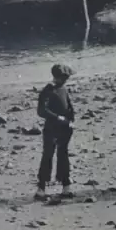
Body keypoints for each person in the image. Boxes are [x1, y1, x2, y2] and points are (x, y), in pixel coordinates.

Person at [36, 64, 76, 200]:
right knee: (47, 155)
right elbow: (41, 111)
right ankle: (41, 187)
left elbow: (69, 106)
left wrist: (71, 120)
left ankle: (66, 186)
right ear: (57, 77)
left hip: (65, 128)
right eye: (64, 77)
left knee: (63, 155)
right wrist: (57, 117)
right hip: (52, 128)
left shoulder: (63, 89)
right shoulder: (48, 90)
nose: (65, 80)